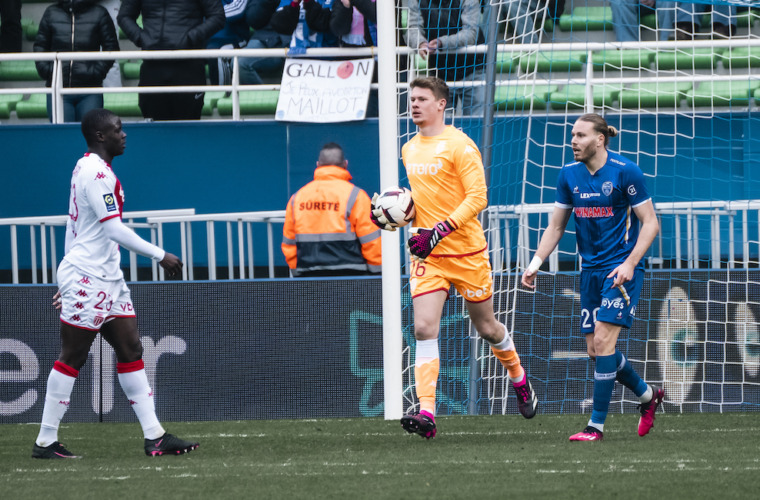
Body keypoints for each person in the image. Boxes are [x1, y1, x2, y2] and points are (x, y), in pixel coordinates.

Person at [371, 77, 538, 439]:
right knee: (422, 328)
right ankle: (427, 412)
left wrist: (439, 230)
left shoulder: (460, 145)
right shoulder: (409, 149)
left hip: (467, 253)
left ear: (441, 104)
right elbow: (423, 202)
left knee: (487, 328)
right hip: (428, 255)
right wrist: (394, 215)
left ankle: (518, 376)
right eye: (411, 99)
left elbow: (478, 198)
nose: (413, 104)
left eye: (421, 99)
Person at [32, 109, 198, 459]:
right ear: (101, 135)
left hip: (106, 279)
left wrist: (65, 277)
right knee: (73, 355)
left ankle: (154, 436)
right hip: (89, 278)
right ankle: (45, 440)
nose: (125, 135)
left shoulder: (92, 169)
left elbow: (75, 227)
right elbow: (113, 229)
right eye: (118, 130)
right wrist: (160, 254)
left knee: (130, 348)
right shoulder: (94, 173)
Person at [521, 113, 664, 442]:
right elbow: (556, 226)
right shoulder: (568, 175)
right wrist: (535, 262)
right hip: (590, 272)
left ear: (600, 139)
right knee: (595, 351)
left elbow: (651, 223)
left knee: (603, 343)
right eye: (572, 135)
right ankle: (647, 397)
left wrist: (629, 264)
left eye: (581, 135)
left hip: (620, 270)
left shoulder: (625, 171)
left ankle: (595, 427)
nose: (573, 141)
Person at [282, 142, 381, 277]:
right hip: (352, 274)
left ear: (318, 165)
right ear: (345, 164)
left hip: (308, 274)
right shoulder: (356, 196)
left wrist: (297, 271)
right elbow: (371, 241)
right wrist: (376, 272)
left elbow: (289, 243)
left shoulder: (297, 198)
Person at [117, 0, 225, 120]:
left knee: (187, 126)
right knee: (154, 126)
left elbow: (217, 16)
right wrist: (141, 38)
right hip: (153, 65)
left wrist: (191, 38)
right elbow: (124, 16)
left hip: (188, 65)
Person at [33, 0, 119, 123]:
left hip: (90, 90)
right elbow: (40, 47)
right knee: (62, 137)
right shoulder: (51, 13)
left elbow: (111, 48)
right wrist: (49, 71)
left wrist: (96, 72)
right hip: (58, 89)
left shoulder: (100, 13)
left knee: (90, 138)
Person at [405, 0, 485, 116]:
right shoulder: (416, 1)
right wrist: (420, 43)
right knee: (441, 128)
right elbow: (412, 28)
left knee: (476, 125)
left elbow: (471, 34)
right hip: (439, 72)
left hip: (473, 67)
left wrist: (442, 42)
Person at [237, 0, 292, 85]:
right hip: (267, 38)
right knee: (238, 63)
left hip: (305, 40)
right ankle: (262, 97)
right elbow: (253, 20)